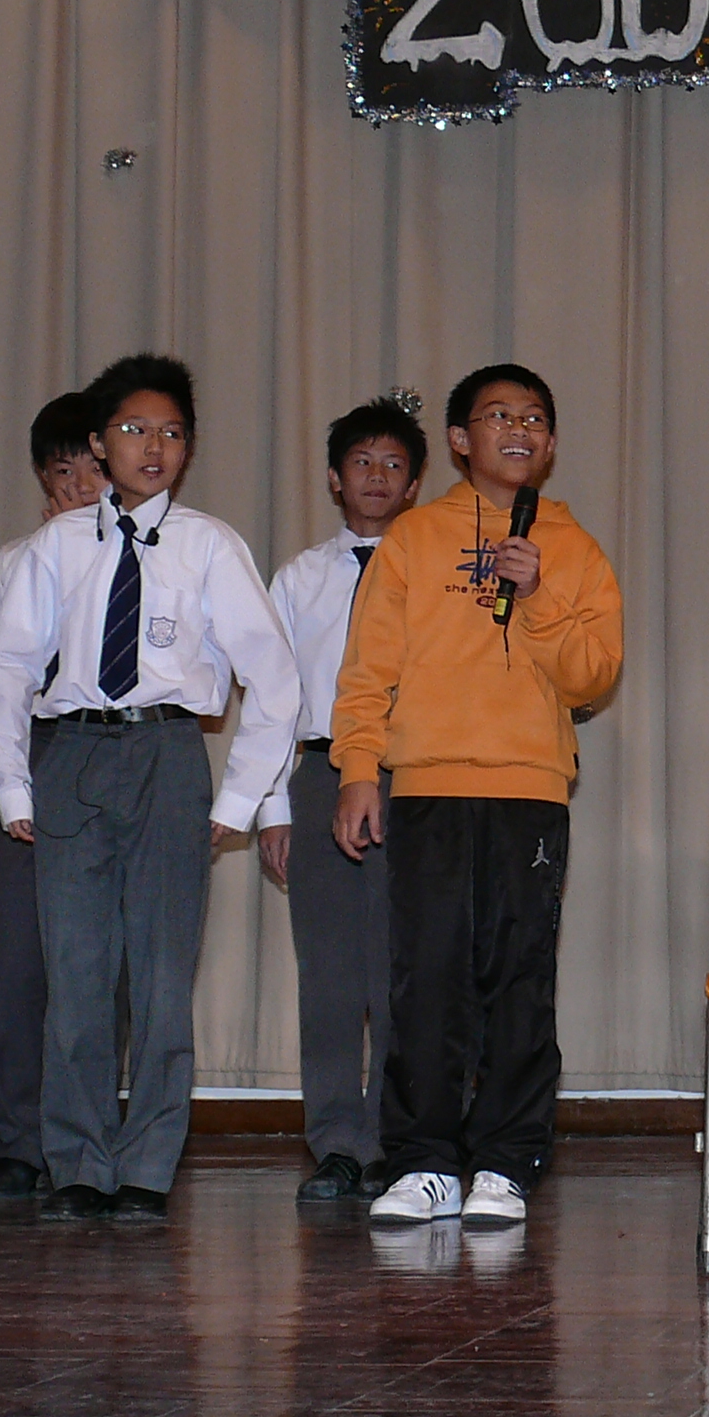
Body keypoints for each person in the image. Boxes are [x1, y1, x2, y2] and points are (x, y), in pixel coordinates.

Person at [0, 355, 301, 1224]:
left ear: (188, 448)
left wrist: (236, 803)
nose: (152, 447)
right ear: (97, 443)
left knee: (162, 978)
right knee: (77, 974)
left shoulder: (209, 544)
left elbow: (275, 680)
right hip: (71, 756)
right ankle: (79, 1162)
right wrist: (12, 789)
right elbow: (6, 670)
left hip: (167, 755)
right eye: (132, 430)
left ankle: (149, 1165)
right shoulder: (54, 547)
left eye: (171, 433)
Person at [336, 365, 622, 1229]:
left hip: (530, 793)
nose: (518, 430)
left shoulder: (575, 548)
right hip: (429, 787)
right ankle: (424, 1162)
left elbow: (593, 676)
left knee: (519, 981)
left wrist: (535, 596)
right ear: (460, 440)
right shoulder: (414, 539)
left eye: (534, 418)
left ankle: (505, 1161)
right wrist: (358, 770)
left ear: (552, 442)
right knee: (426, 981)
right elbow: (368, 669)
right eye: (499, 416)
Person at [260, 396, 426, 1206]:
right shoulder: (299, 577)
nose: (377, 477)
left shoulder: (434, 572)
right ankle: (335, 1143)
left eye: (394, 464)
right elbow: (272, 698)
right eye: (362, 462)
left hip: (412, 776)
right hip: (322, 771)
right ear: (334, 478)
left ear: (416, 484)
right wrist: (272, 807)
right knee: (328, 974)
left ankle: (394, 1139)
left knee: (403, 970)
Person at [0, 393, 104, 1202]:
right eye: (63, 473)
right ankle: (15, 1141)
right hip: (17, 756)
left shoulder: (155, 556)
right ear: (43, 480)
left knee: (95, 967)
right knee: (8, 962)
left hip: (106, 762)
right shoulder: (13, 562)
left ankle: (89, 1142)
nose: (79, 488)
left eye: (92, 471)